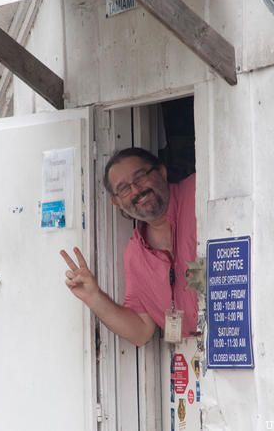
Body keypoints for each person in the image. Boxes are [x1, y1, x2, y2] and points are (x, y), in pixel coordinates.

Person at [60, 147, 198, 346]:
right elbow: (141, 331)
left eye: (140, 177)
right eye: (124, 188)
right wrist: (94, 297)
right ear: (116, 202)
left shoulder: (199, 190)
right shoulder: (135, 254)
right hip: (202, 364)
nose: (136, 190)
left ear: (161, 171)